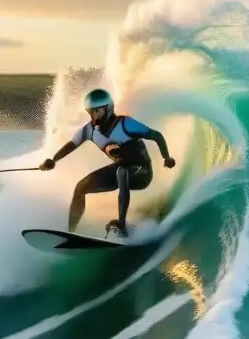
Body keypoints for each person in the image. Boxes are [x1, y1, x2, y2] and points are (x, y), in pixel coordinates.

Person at [38, 88, 176, 238]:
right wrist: (53, 160)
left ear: (108, 108)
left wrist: (166, 157)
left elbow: (156, 135)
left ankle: (121, 225)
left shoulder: (125, 124)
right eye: (91, 112)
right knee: (81, 187)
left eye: (98, 111)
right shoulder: (88, 130)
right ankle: (71, 233)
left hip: (142, 172)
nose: (94, 115)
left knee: (121, 171)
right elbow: (72, 145)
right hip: (120, 170)